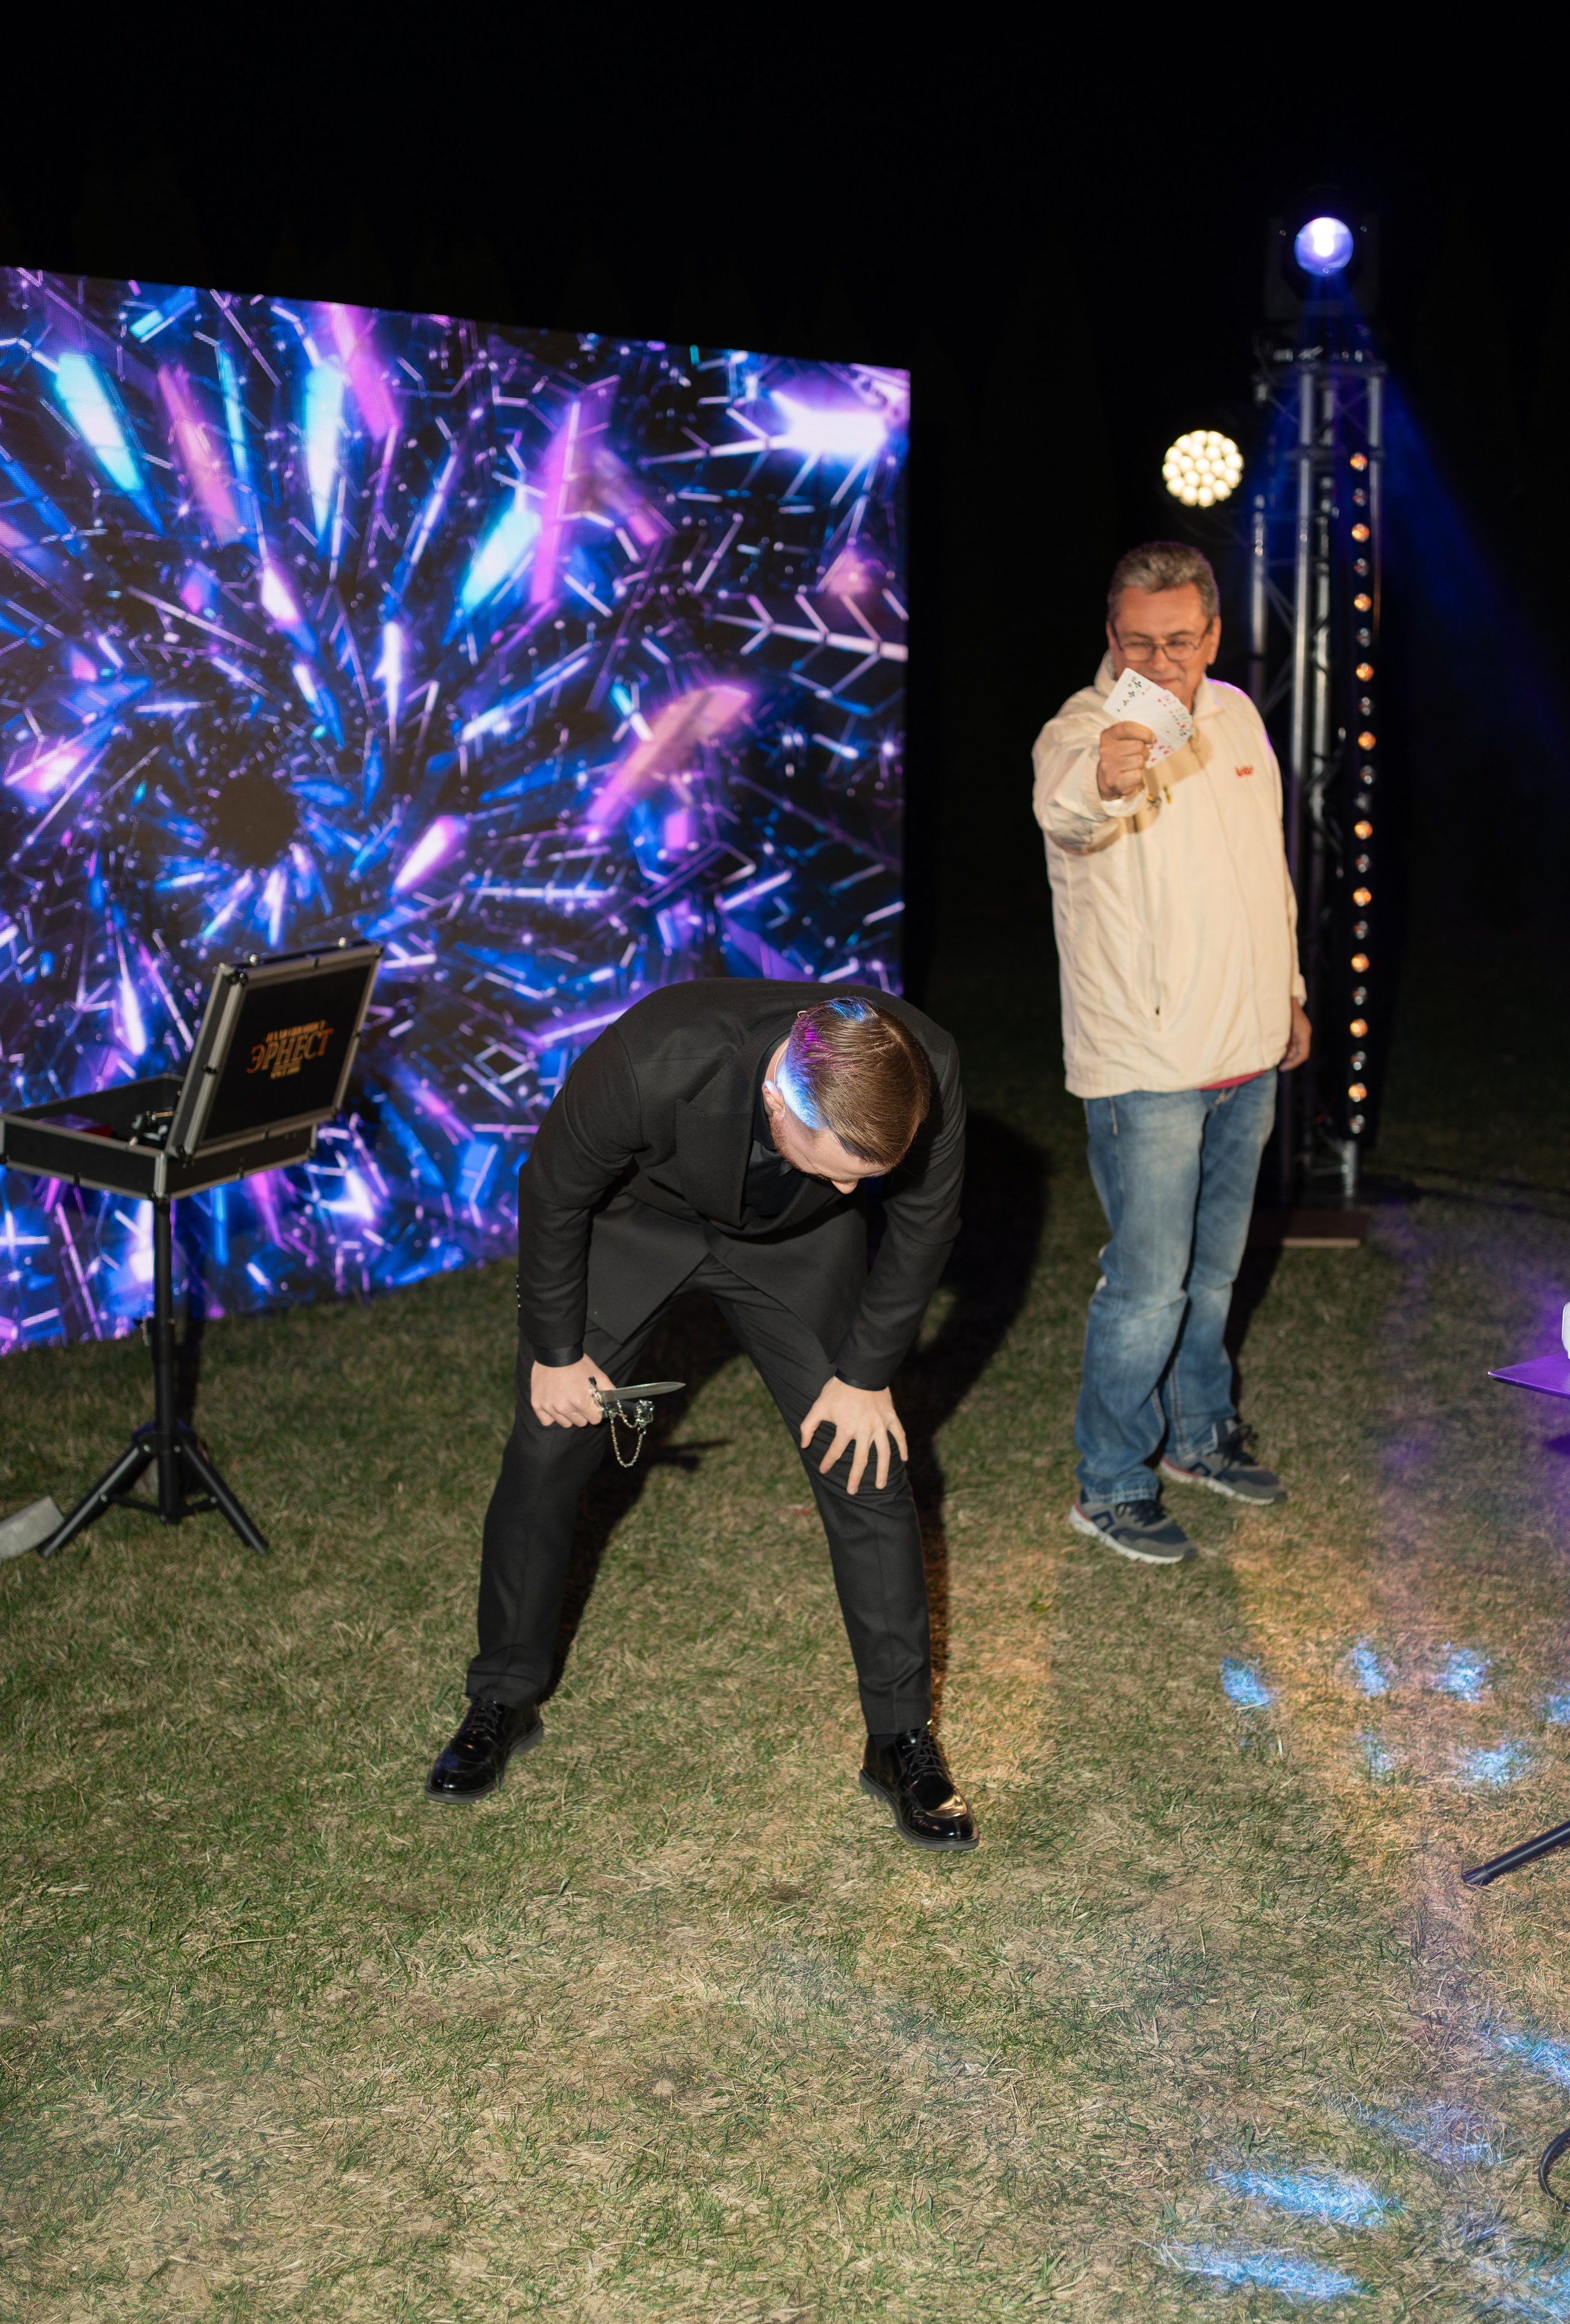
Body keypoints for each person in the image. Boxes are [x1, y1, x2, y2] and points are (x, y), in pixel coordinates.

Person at [425, 980, 978, 1851]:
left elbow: (925, 1221)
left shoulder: (923, 1068)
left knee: (866, 1461)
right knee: (545, 1450)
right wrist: (557, 1352)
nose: (852, 1188)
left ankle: (899, 1737)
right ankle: (502, 1696)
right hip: (639, 1221)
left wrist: (865, 1376)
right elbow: (554, 1189)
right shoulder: (653, 1058)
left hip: (797, 1246)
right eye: (843, 1165)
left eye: (867, 1177)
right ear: (777, 1096)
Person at [1032, 542, 1309, 1565]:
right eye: (1139, 643)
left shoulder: (1236, 715)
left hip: (1245, 1049)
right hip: (1145, 1064)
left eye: (1180, 642)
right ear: (1112, 636)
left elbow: (1266, 869)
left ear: (1214, 635)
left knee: (1215, 1274)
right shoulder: (1080, 730)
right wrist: (1111, 773)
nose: (1160, 663)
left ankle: (1199, 1435)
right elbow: (1071, 806)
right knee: (1148, 1287)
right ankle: (1110, 1485)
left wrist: (1289, 994)